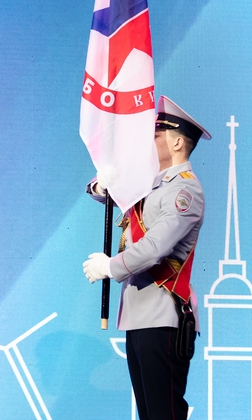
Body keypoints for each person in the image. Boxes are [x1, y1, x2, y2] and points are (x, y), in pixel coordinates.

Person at [82, 95, 211, 420]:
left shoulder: (185, 191)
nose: (147, 141)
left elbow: (155, 247)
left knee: (164, 414)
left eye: (156, 134)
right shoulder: (152, 184)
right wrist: (102, 186)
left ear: (177, 142)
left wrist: (109, 267)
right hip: (141, 317)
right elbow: (120, 196)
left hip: (163, 316)